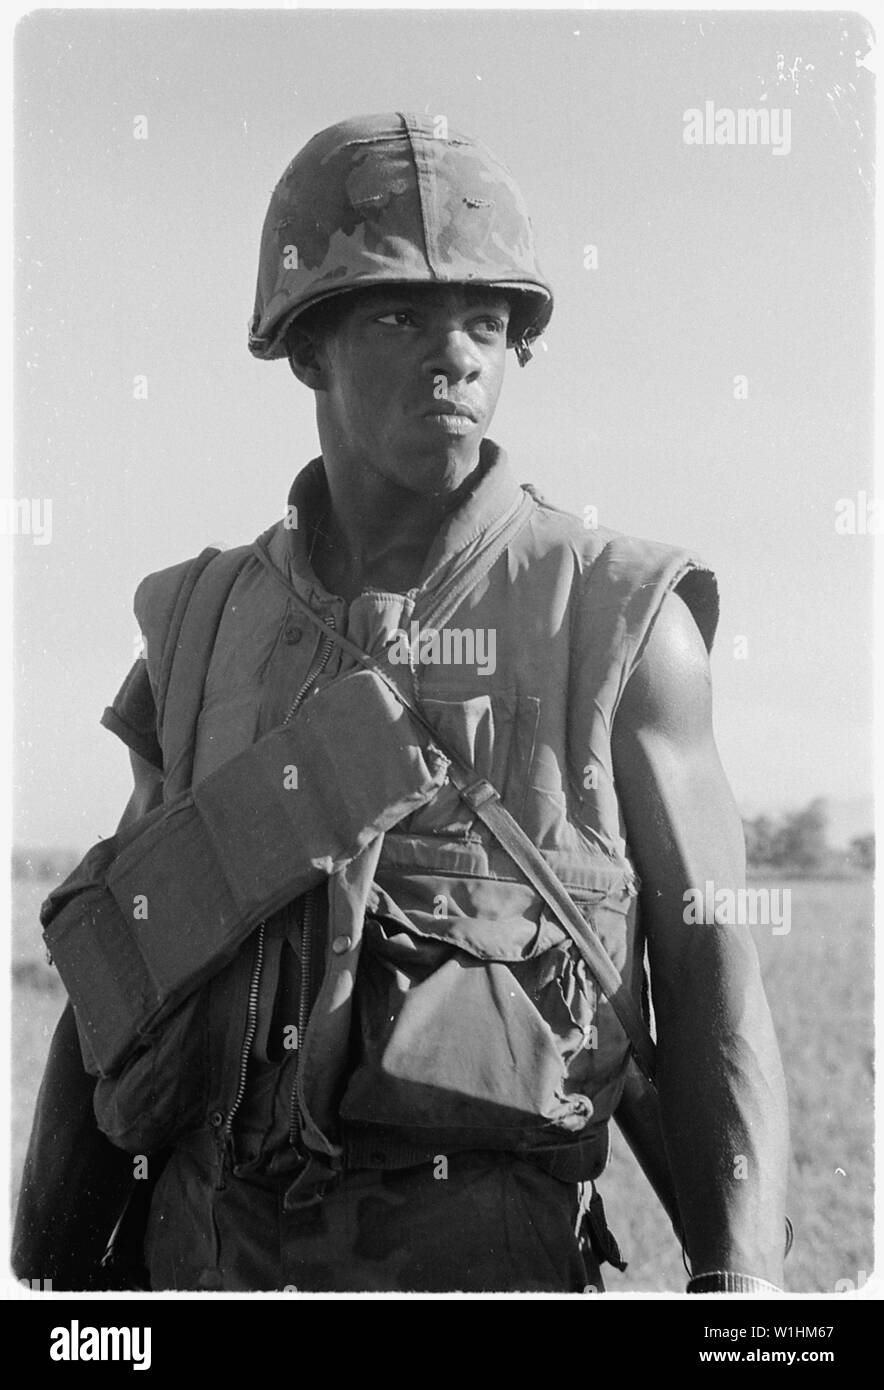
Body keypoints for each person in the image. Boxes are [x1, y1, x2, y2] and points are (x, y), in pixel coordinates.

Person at [13, 112, 789, 1294]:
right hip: (197, 1263)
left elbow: (708, 974)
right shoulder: (201, 624)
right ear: (304, 348)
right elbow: (117, 978)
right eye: (397, 314)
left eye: (485, 320)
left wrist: (742, 1300)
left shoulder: (620, 619)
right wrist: (51, 1288)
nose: (456, 354)